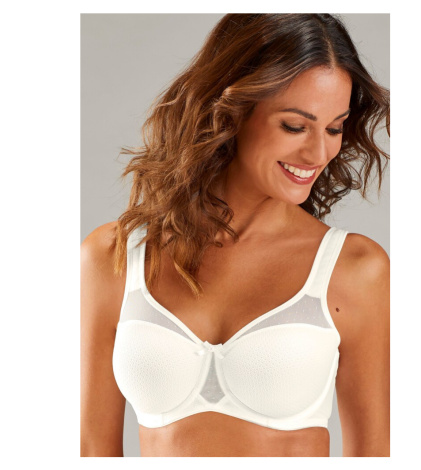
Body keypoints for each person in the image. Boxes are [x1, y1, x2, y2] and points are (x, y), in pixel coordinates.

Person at [81, 13, 390, 457]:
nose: (319, 151)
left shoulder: (354, 269)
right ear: (231, 111)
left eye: (334, 128)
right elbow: (91, 449)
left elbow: (376, 455)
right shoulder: (113, 256)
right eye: (295, 126)